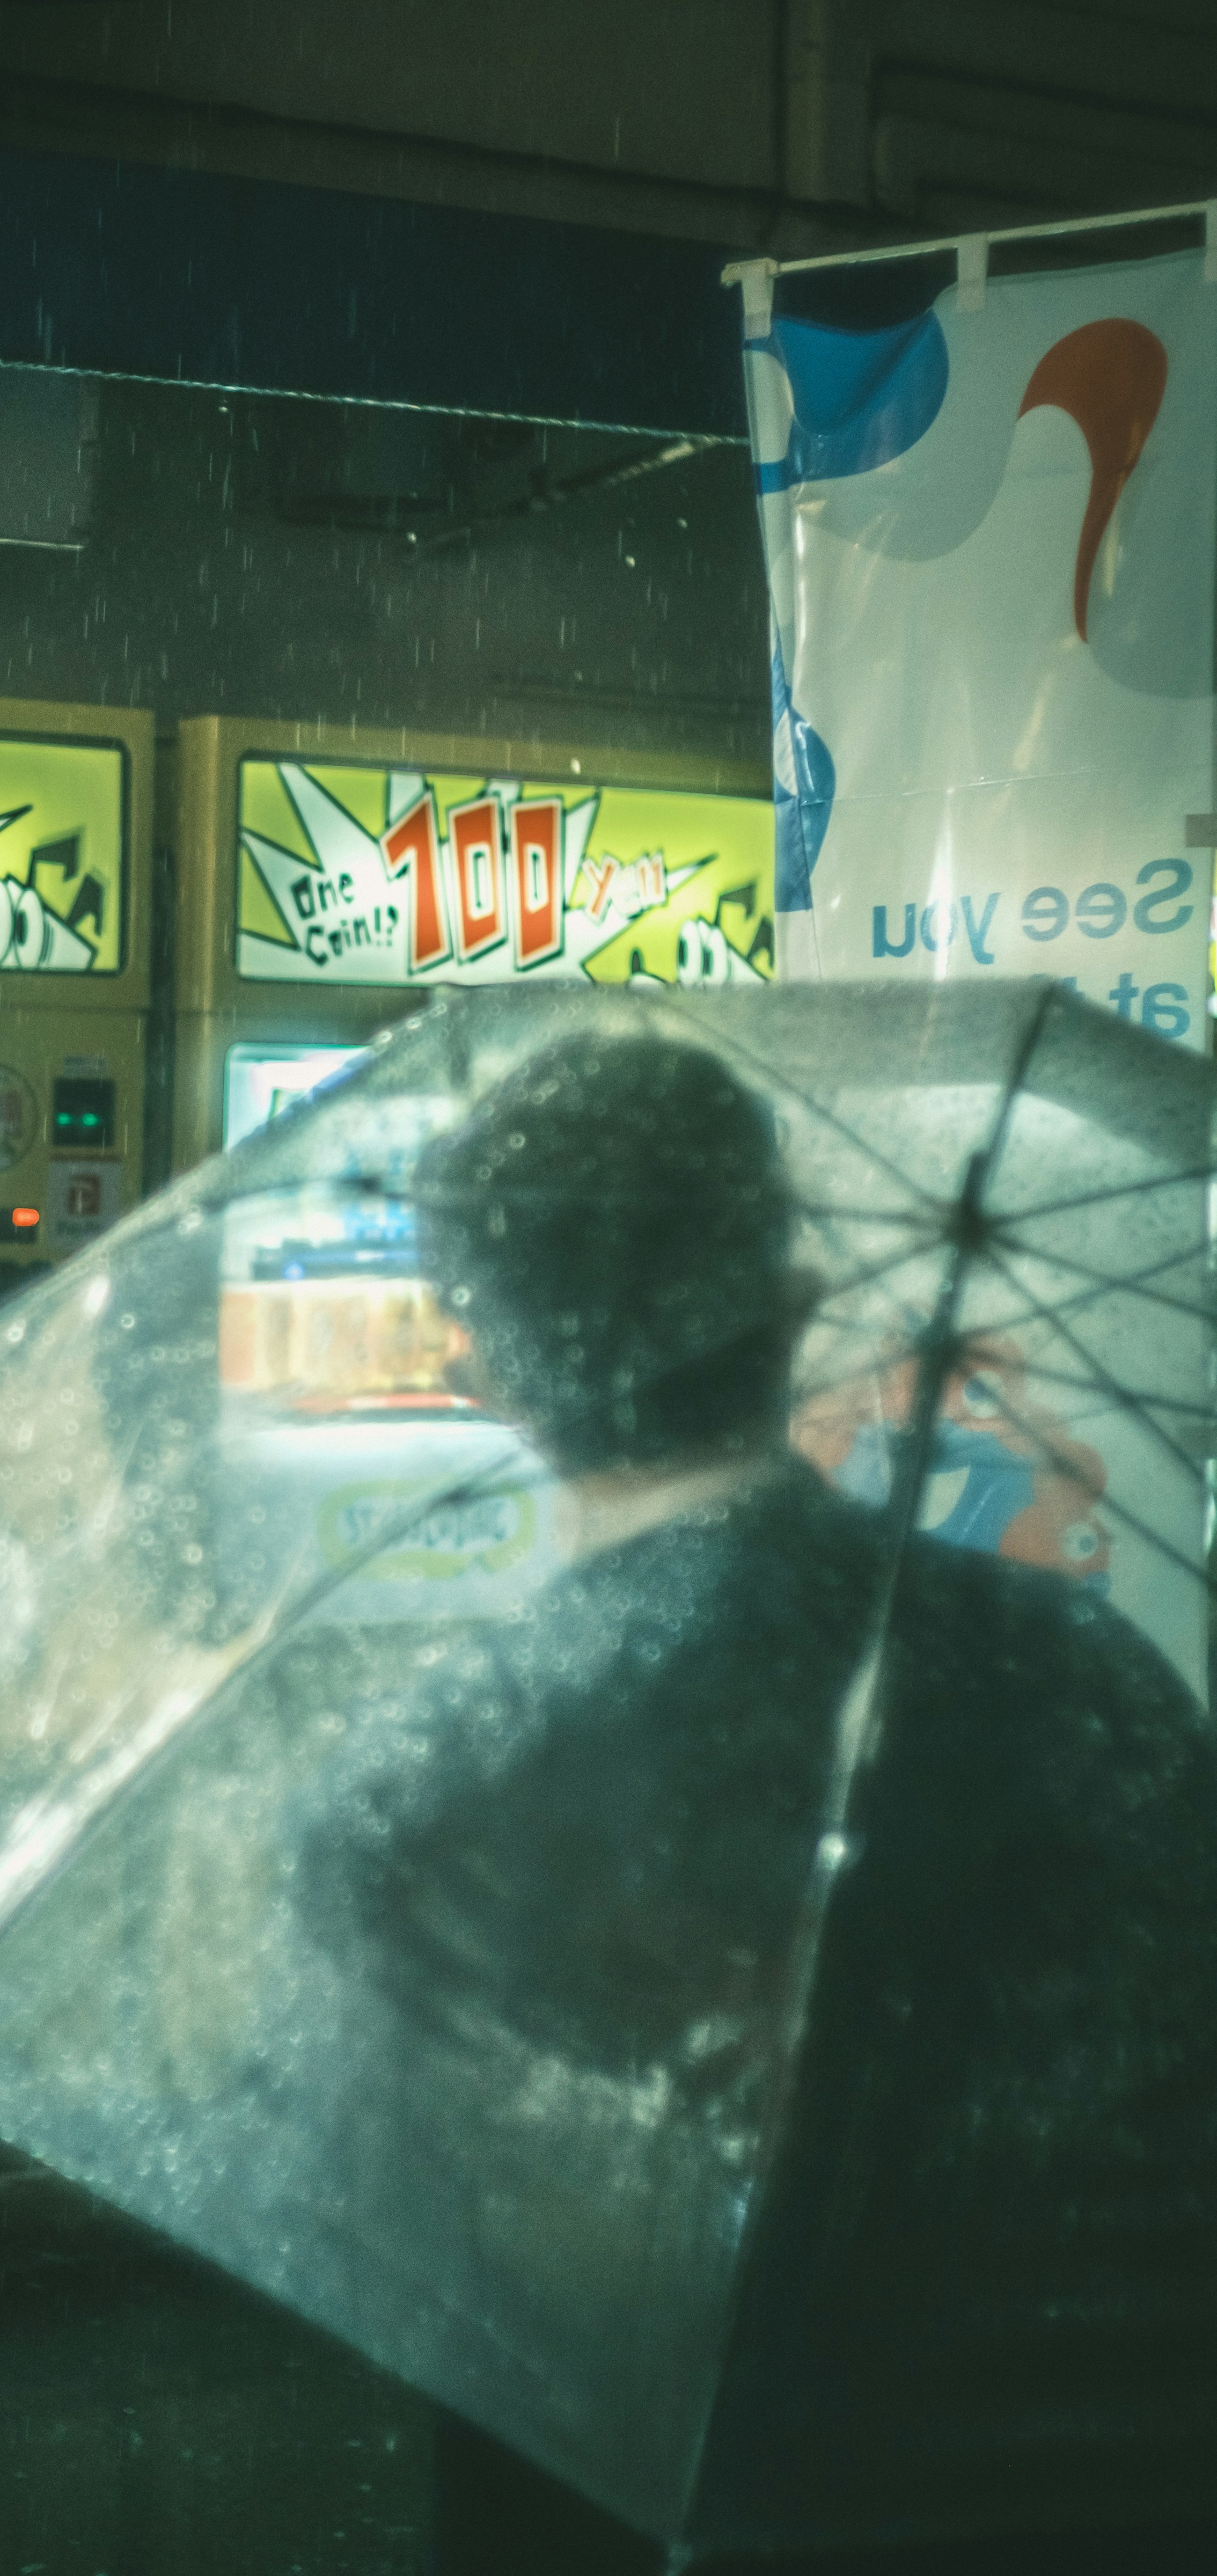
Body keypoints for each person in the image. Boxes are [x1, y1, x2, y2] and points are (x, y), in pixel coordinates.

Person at [380, 1029, 1217, 2572]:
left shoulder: (450, 1768)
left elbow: (412, 2234)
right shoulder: (1097, 1678)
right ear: (793, 1304)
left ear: (481, 1360)